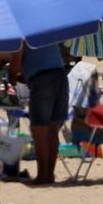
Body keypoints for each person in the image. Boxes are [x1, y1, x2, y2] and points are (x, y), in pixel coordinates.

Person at [12, 41, 67, 185]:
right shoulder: (43, 31)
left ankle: (42, 176)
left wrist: (11, 78)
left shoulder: (22, 36)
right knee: (52, 129)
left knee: (39, 130)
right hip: (60, 74)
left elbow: (16, 64)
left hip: (42, 79)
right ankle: (49, 175)